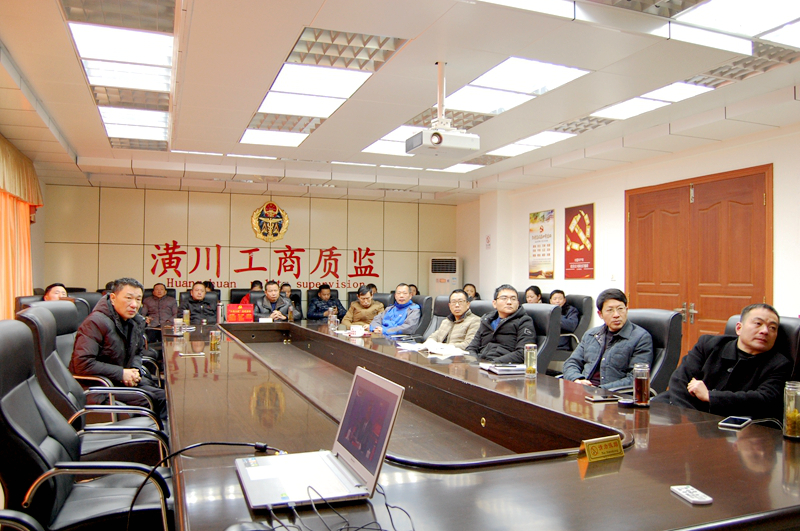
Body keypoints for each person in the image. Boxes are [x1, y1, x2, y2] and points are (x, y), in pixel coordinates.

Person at [653, 304, 791, 420]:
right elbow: (680, 380)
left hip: (731, 427)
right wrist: (689, 418)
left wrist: (710, 396)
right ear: (739, 328)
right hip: (684, 413)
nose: (765, 331)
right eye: (758, 324)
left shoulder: (779, 364)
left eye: (772, 328)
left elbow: (765, 399)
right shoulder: (708, 345)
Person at [70, 278, 167, 421]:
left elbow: (137, 352)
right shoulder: (95, 322)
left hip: (119, 382)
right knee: (155, 400)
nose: (134, 305)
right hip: (99, 387)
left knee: (166, 396)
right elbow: (82, 364)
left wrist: (134, 370)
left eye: (138, 299)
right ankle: (156, 433)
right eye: (128, 298)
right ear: (113, 298)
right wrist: (121, 373)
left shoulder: (133, 321)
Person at [562, 289, 653, 390]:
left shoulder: (641, 338)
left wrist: (598, 389)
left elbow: (635, 378)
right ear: (600, 314)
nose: (616, 315)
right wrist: (577, 379)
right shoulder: (591, 335)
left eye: (620, 309)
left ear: (626, 310)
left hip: (612, 395)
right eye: (610, 310)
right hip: (583, 390)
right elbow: (571, 363)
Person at [466, 284, 534, 363]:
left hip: (503, 366)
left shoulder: (524, 321)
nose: (509, 302)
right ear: (494, 303)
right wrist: (474, 362)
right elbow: (472, 347)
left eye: (513, 299)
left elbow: (523, 353)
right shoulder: (486, 320)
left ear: (518, 303)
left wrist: (492, 364)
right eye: (504, 298)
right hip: (481, 363)